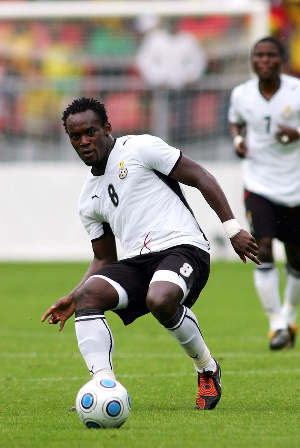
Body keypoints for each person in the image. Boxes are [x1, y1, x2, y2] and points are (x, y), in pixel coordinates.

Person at [41, 97, 260, 411]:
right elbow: (104, 260)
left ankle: (207, 368)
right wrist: (74, 296)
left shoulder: (139, 148)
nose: (84, 141)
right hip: (136, 262)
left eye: (90, 132)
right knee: (88, 298)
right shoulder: (88, 198)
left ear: (107, 128)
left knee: (160, 299)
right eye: (76, 137)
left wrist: (233, 229)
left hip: (183, 247)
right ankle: (104, 386)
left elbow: (200, 176)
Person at [228, 36, 300, 350]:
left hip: (296, 186)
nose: (264, 60)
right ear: (253, 60)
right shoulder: (241, 94)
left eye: (271, 55)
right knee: (264, 247)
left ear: (282, 60)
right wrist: (238, 141)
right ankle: (275, 323)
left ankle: (289, 314)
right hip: (259, 185)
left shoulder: (297, 91)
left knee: (296, 256)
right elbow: (236, 122)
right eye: (259, 55)